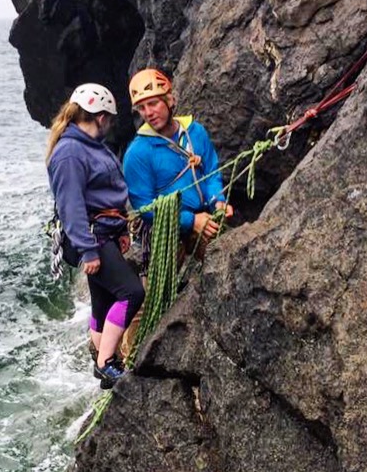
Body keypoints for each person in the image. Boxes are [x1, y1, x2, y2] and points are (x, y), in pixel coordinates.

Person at [46, 84, 144, 388]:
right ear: (101, 117)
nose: (111, 125)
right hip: (91, 238)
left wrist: (121, 229)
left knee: (104, 300)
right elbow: (71, 207)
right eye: (110, 120)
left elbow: (104, 195)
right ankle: (107, 363)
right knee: (131, 292)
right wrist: (88, 251)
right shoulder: (70, 153)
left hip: (105, 233)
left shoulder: (91, 145)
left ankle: (100, 357)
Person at [123, 69, 233, 256]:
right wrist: (191, 221)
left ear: (170, 100)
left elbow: (211, 172)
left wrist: (217, 201)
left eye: (153, 103)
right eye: (141, 108)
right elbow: (145, 208)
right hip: (168, 235)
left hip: (205, 214)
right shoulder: (137, 153)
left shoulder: (195, 132)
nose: (148, 113)